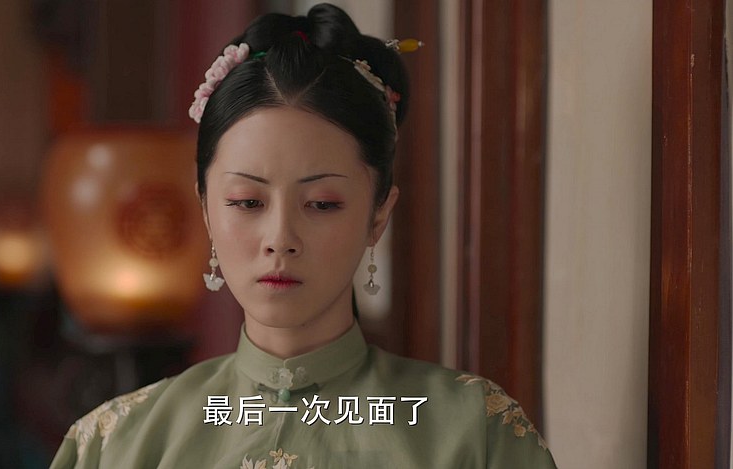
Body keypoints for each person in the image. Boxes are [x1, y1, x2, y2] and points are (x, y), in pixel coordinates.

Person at [50, 3, 557, 468]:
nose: (280, 238)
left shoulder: (472, 433)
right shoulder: (116, 444)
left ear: (378, 215)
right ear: (205, 208)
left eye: (322, 204)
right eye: (247, 202)